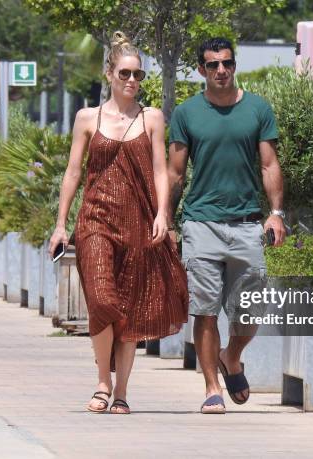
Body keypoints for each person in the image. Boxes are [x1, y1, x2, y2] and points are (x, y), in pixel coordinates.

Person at [49, 31, 188, 415]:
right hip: (94, 220)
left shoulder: (153, 118)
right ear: (109, 73)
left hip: (139, 222)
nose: (132, 81)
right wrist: (61, 224)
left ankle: (122, 391)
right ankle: (102, 381)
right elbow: (73, 173)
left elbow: (162, 171)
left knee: (131, 306)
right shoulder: (87, 118)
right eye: (125, 73)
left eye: (138, 75)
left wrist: (163, 213)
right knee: (102, 298)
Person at [167, 37, 286, 414]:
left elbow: (269, 165)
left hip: (247, 223)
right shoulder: (187, 113)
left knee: (251, 311)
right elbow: (175, 173)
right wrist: (168, 223)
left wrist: (276, 213)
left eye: (227, 63)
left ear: (234, 66)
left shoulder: (257, 109)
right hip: (201, 223)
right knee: (205, 310)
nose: (221, 70)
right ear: (202, 70)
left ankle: (231, 357)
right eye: (213, 65)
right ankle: (211, 387)